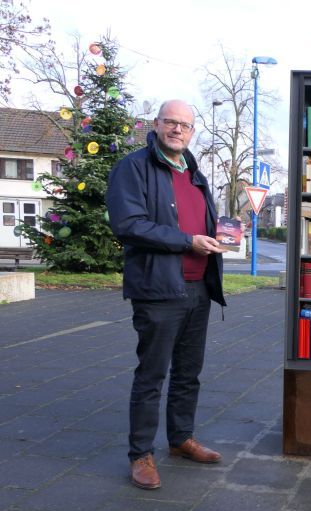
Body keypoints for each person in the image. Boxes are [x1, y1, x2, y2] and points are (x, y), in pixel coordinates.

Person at [106, 99, 226, 490]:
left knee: (189, 373)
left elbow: (201, 220)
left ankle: (180, 439)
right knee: (152, 374)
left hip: (198, 287)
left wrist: (222, 234)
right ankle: (141, 454)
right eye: (170, 122)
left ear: (192, 132)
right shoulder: (134, 167)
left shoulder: (194, 172)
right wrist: (186, 240)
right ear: (156, 124)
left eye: (185, 125)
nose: (177, 129)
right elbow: (129, 225)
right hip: (158, 289)